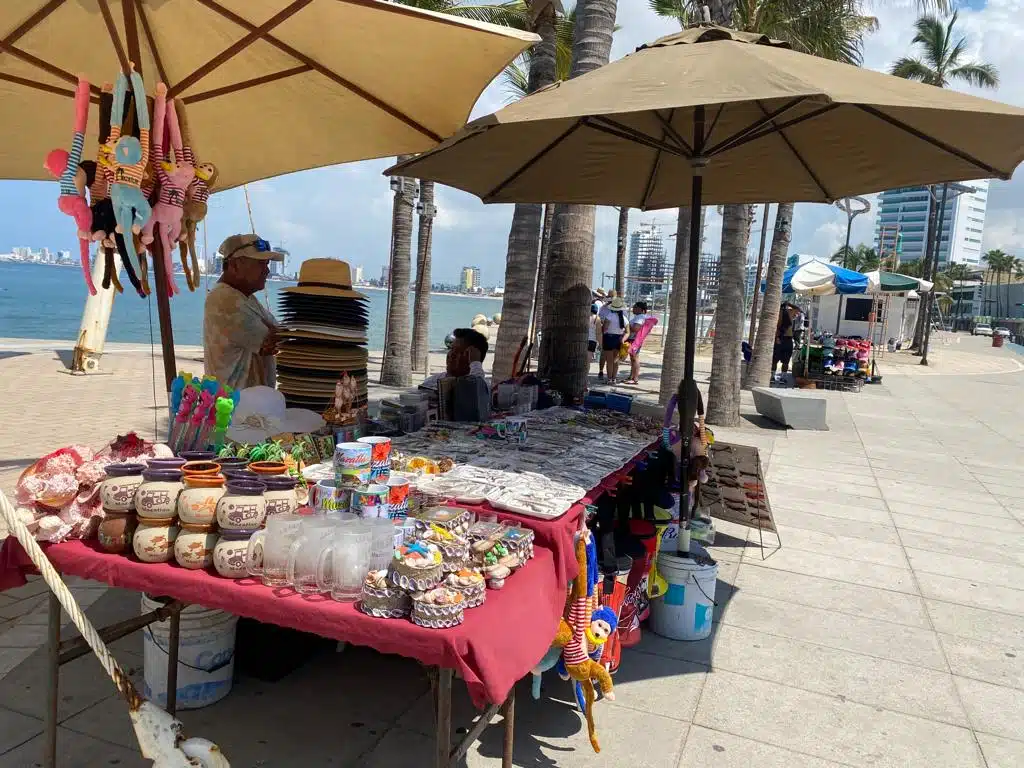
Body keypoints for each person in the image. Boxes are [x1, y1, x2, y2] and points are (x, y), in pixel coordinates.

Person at [203, 233, 284, 391]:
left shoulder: (244, 297)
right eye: (261, 264)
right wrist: (275, 332)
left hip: (249, 406)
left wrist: (276, 331)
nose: (267, 271)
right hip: (235, 409)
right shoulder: (225, 300)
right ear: (235, 266)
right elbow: (273, 342)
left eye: (267, 264)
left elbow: (278, 332)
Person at [421, 327, 490, 390]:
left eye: (459, 352)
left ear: (473, 357)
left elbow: (477, 389)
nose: (451, 355)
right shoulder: (432, 382)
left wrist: (475, 363)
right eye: (451, 349)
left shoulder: (482, 388)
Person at [598, 296, 629, 383]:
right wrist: (623, 339)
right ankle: (614, 378)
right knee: (616, 361)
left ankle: (609, 379)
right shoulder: (624, 318)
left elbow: (605, 329)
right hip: (619, 339)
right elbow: (627, 332)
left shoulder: (609, 316)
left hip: (609, 338)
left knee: (609, 361)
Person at [624, 301, 650, 385]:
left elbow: (636, 328)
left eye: (634, 307)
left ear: (639, 309)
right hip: (633, 339)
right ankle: (632, 376)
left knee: (635, 358)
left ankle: (635, 378)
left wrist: (626, 326)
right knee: (633, 358)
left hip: (634, 340)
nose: (633, 309)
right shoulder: (639, 316)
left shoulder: (640, 317)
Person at [772, 302, 800, 374]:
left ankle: (773, 376)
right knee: (784, 361)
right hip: (785, 338)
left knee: (776, 360)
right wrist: (789, 304)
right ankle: (782, 377)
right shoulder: (789, 312)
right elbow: (797, 309)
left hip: (779, 338)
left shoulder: (776, 312)